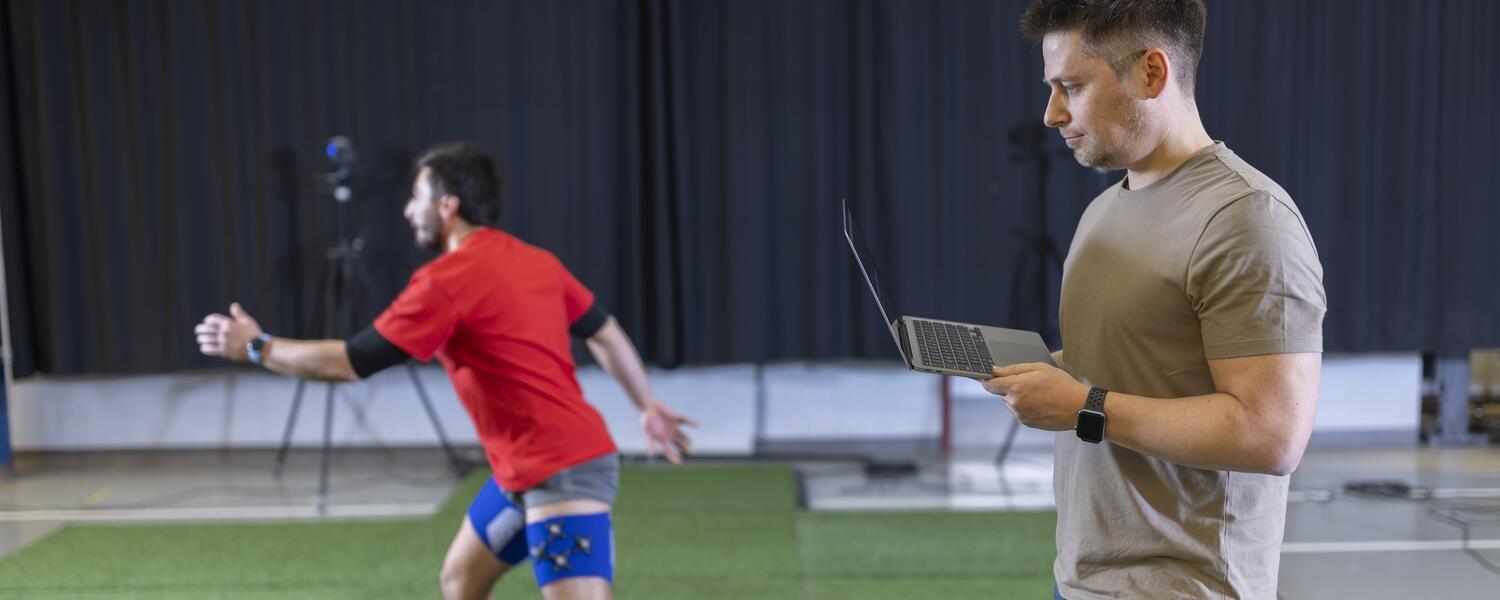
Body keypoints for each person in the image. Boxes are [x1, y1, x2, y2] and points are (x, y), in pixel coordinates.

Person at [194, 142, 695, 600]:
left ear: (447, 206)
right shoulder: (536, 260)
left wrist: (256, 347)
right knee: (460, 580)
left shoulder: (446, 280)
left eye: (417, 197)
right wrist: (646, 405)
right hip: (519, 472)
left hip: (562, 467)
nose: (408, 210)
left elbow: (350, 363)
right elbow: (605, 331)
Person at [984, 2, 1326, 598]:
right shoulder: (1104, 208)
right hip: (1084, 578)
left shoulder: (1247, 219)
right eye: (1051, 88)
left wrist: (1082, 406)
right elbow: (1140, 362)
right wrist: (1042, 371)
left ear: (1151, 73)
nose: (1051, 113)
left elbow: (1271, 435)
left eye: (1072, 87)